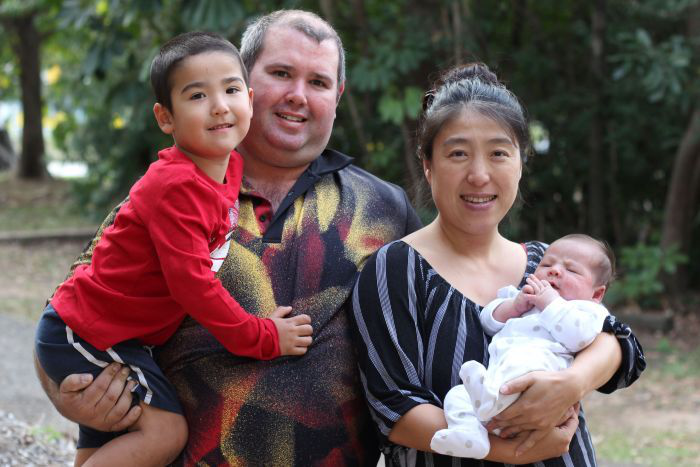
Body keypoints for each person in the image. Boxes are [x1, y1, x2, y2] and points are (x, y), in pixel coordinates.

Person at [34, 10, 422, 466]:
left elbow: (435, 334)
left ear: (337, 96)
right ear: (246, 78)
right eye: (281, 73)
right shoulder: (174, 190)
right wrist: (70, 398)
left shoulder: (384, 210)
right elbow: (70, 316)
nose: (298, 95)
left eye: (318, 82)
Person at [35, 31, 314, 466]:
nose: (219, 105)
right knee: (166, 432)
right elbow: (194, 286)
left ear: (249, 99)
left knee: (102, 453)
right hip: (89, 330)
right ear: (165, 117)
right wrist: (262, 336)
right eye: (198, 95)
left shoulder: (228, 168)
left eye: (231, 90)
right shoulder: (174, 187)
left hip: (120, 337)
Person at [351, 63, 646, 466]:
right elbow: (395, 408)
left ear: (520, 162)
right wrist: (513, 452)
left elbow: (620, 344)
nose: (479, 175)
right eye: (458, 153)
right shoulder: (396, 270)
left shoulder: (547, 263)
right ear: (427, 163)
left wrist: (571, 383)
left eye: (498, 153)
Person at [431, 234, 616, 458]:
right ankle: (470, 434)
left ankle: (489, 401)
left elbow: (578, 336)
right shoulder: (522, 296)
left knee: (515, 370)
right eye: (546, 264)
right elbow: (487, 321)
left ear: (596, 293)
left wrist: (550, 303)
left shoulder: (586, 311)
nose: (554, 270)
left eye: (572, 270)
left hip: (536, 382)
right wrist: (514, 306)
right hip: (497, 380)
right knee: (458, 395)